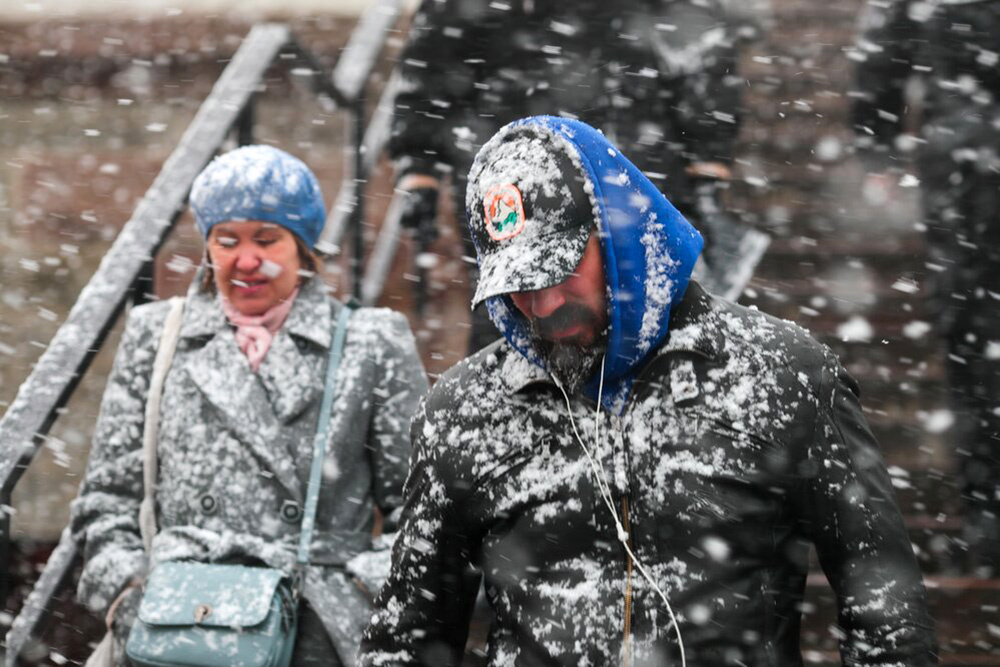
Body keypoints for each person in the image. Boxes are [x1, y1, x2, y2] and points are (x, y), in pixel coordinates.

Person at [359, 116, 937, 666]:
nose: (544, 304)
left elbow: (887, 613)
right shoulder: (464, 413)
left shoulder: (782, 376)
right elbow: (407, 638)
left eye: (560, 269)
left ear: (619, 234)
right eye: (520, 283)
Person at [70, 145, 429, 666]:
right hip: (177, 627)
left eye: (266, 239)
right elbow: (106, 500)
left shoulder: (369, 341)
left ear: (303, 249)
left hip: (311, 632)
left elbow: (422, 512)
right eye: (226, 240)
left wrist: (356, 599)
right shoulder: (156, 335)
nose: (245, 260)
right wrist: (130, 596)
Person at [391, 0, 759, 353]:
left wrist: (707, 168)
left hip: (628, 158)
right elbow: (433, 57)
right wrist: (418, 167)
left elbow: (700, 45)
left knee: (648, 308)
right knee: (514, 315)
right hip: (512, 176)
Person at [851, 0, 1000, 571]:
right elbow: (887, 43)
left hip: (963, 167)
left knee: (976, 350)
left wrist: (877, 140)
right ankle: (987, 519)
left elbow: (885, 44)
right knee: (975, 350)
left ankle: (987, 519)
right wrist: (877, 139)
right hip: (966, 176)